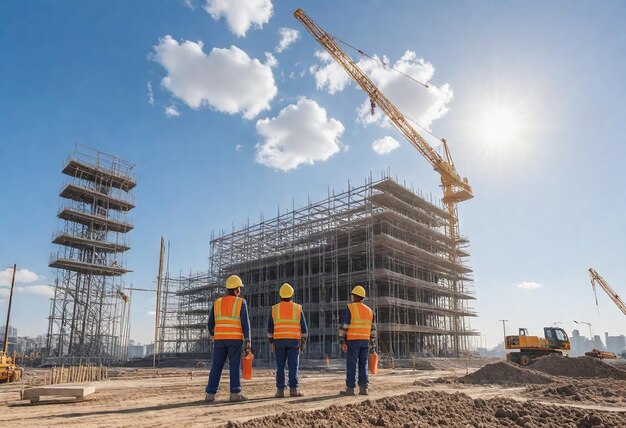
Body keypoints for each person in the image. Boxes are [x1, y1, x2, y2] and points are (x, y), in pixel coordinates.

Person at [205, 274, 251, 402]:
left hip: (219, 340)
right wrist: (248, 343)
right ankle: (235, 394)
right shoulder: (241, 302)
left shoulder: (217, 302)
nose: (240, 291)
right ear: (236, 289)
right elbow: (245, 325)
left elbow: (210, 325)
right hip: (235, 340)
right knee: (234, 366)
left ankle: (210, 394)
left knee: (216, 366)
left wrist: (215, 337)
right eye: (239, 288)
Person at [267, 283, 308, 398]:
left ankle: (280, 391)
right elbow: (304, 329)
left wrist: (272, 342)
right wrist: (303, 344)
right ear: (292, 295)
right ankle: (294, 390)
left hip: (279, 342)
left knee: (280, 367)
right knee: (293, 366)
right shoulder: (297, 308)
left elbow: (270, 329)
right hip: (294, 342)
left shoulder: (274, 309)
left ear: (280, 295)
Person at [338, 285, 376, 396]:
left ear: (354, 296)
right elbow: (373, 329)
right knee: (363, 364)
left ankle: (350, 388)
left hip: (353, 340)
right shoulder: (370, 311)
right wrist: (372, 343)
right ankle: (364, 388)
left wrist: (342, 341)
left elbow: (345, 326)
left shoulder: (351, 308)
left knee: (351, 364)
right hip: (365, 341)